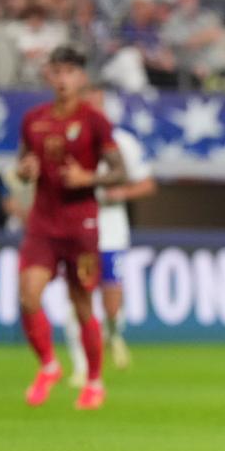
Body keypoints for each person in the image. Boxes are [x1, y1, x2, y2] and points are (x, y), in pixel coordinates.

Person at [16, 45, 127, 410]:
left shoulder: (95, 121)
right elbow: (22, 162)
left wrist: (87, 177)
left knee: (81, 305)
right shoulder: (33, 119)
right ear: (49, 75)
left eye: (69, 72)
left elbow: (120, 172)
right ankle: (49, 365)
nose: (62, 78)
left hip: (82, 225)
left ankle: (94, 381)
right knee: (28, 296)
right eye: (56, 71)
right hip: (43, 224)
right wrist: (24, 171)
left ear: (81, 77)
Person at [65, 86, 157, 387]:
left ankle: (114, 332)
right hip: (78, 231)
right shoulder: (70, 139)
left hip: (112, 231)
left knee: (111, 300)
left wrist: (122, 192)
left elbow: (147, 184)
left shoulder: (123, 143)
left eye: (98, 104)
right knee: (78, 297)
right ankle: (81, 366)